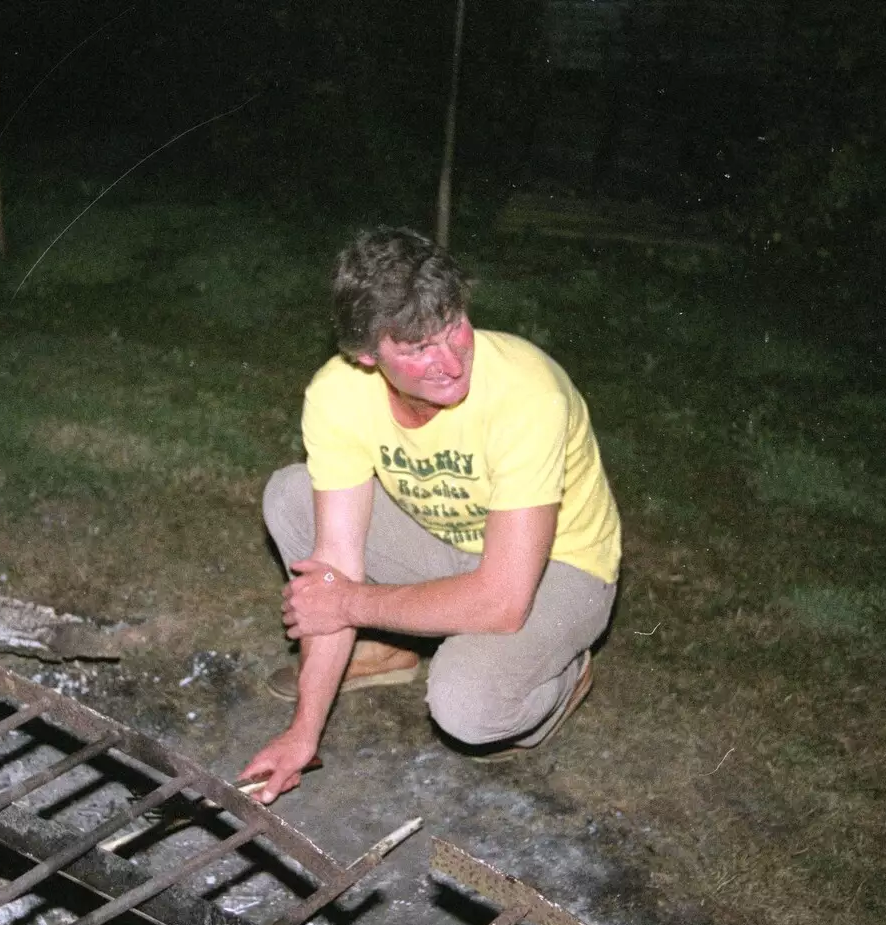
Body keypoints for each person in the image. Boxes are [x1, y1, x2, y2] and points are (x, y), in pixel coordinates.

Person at [238, 226, 621, 804]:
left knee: (467, 707)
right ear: (367, 356)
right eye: (417, 348)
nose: (449, 360)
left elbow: (502, 598)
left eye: (453, 327)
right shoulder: (338, 395)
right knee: (292, 497)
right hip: (445, 540)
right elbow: (332, 570)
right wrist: (302, 735)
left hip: (558, 567)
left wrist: (350, 602)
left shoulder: (526, 394)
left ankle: (561, 683)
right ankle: (390, 645)